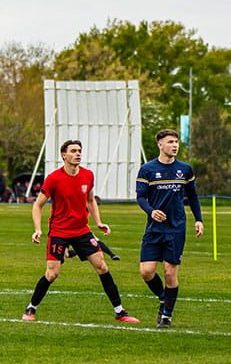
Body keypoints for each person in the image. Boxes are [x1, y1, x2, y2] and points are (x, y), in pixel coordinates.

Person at [22, 140, 139, 324]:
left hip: (82, 231)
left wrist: (98, 222)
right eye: (73, 151)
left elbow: (91, 201)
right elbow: (37, 205)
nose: (78, 154)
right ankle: (31, 307)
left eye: (79, 151)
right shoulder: (54, 178)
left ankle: (120, 312)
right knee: (52, 273)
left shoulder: (88, 175)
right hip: (59, 232)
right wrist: (38, 229)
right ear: (64, 155)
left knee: (102, 266)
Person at [136, 129, 204, 329]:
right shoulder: (147, 169)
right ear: (160, 145)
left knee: (170, 273)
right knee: (146, 271)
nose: (174, 145)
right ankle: (164, 297)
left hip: (176, 228)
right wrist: (151, 211)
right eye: (170, 142)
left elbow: (192, 196)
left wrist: (198, 220)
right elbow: (140, 197)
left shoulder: (185, 169)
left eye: (176, 142)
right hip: (154, 228)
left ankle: (166, 315)